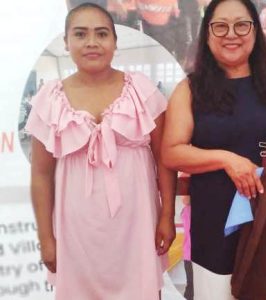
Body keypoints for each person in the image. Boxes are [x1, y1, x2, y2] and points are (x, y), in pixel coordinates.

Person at [26, 3, 176, 299]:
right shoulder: (49, 100)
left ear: (115, 43)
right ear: (67, 42)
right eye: (80, 34)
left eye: (102, 34)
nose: (92, 42)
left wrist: (167, 215)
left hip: (137, 225)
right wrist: (46, 237)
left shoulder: (140, 90)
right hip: (76, 232)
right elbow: (41, 175)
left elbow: (164, 160)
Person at [161, 0, 266, 298]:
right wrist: (227, 159)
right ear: (207, 34)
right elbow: (172, 152)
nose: (232, 34)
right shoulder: (190, 89)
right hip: (214, 223)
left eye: (242, 24)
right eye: (221, 26)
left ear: (255, 31)